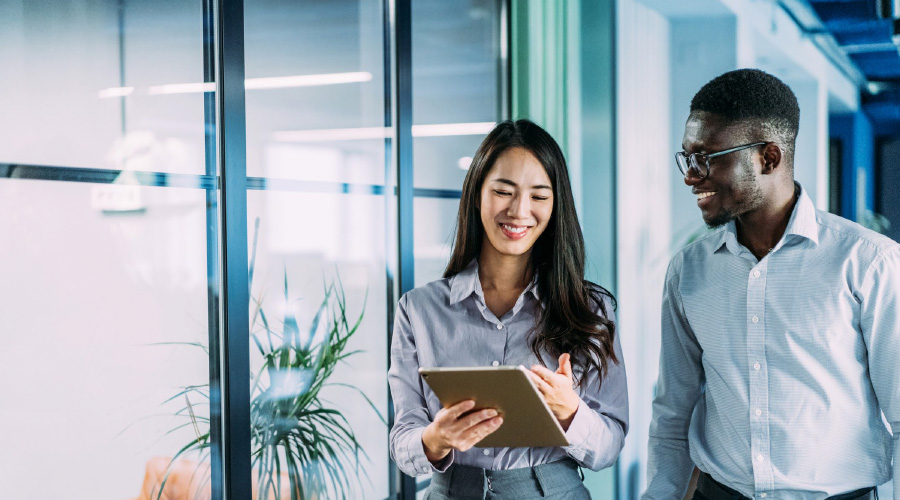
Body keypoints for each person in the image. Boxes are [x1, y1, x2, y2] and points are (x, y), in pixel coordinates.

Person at [643, 68, 900, 500]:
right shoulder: (688, 272)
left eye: (707, 158)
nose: (691, 175)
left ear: (769, 157)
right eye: (687, 158)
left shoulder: (869, 263)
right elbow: (673, 414)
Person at [388, 119, 628, 499]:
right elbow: (403, 439)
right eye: (503, 191)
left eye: (539, 195)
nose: (519, 211)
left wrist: (569, 411)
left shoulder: (589, 309)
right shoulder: (419, 309)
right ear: (477, 194)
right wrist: (435, 438)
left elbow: (609, 447)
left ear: (555, 205)